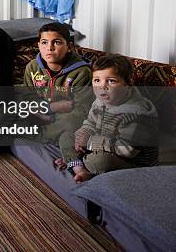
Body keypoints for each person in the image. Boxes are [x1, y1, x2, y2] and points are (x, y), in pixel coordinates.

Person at [56, 54, 159, 182]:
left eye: (111, 81)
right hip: (102, 145)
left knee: (100, 161)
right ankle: (79, 168)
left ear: (128, 84)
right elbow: (90, 123)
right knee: (66, 137)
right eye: (97, 80)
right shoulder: (101, 100)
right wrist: (83, 134)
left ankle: (76, 163)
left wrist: (88, 142)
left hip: (133, 163)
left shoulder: (137, 113)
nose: (102, 87)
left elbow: (128, 150)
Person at [23, 22, 92, 143]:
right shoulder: (32, 67)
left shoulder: (82, 72)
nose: (50, 48)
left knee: (72, 122)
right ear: (38, 45)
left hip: (61, 118)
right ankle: (51, 137)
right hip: (38, 113)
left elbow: (83, 109)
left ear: (69, 46)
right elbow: (27, 97)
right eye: (44, 42)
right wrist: (49, 108)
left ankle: (38, 137)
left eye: (57, 42)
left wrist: (52, 115)